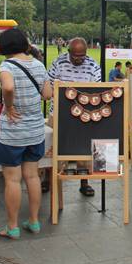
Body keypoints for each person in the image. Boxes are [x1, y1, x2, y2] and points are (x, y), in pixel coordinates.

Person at [0, 29, 52, 239]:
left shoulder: (7, 66)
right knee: (32, 176)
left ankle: (13, 226)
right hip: (35, 131)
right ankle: (34, 221)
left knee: (12, 180)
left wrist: (8, 106)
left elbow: (8, 87)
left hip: (13, 133)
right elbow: (48, 94)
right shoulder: (38, 65)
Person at [47, 37, 101, 196]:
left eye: (82, 56)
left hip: (83, 114)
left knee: (83, 150)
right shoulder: (59, 62)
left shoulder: (92, 65)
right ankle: (48, 180)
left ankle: (84, 182)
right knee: (53, 149)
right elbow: (49, 86)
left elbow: (96, 89)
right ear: (69, 51)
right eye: (76, 56)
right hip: (58, 112)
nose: (79, 59)